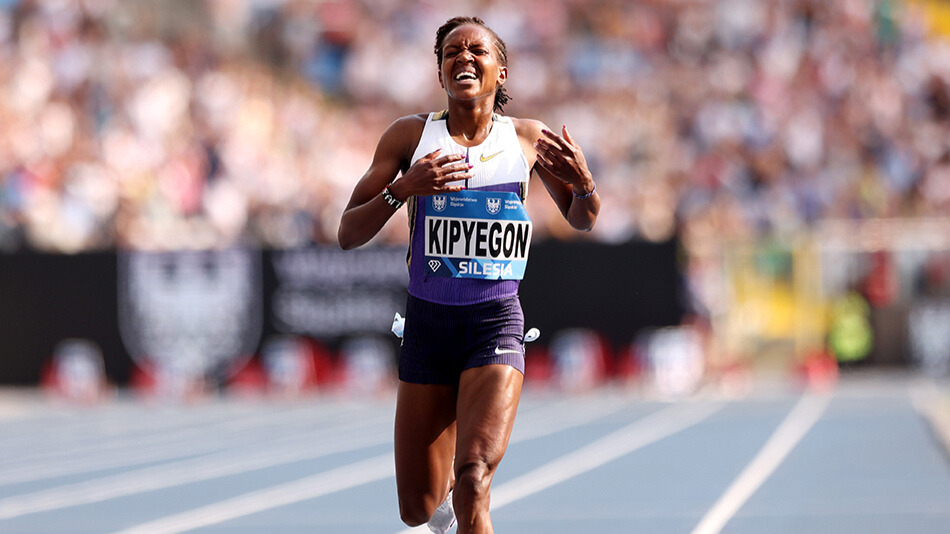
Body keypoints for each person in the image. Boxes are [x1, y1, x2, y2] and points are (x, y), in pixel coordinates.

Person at [338, 16, 600, 534]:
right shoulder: (410, 135)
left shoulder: (527, 138)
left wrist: (586, 184)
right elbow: (348, 232)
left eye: (477, 50)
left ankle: (465, 498)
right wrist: (404, 189)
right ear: (440, 72)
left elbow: (582, 218)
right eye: (451, 52)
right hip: (428, 326)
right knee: (416, 509)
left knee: (475, 479)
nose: (463, 57)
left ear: (502, 71)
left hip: (494, 323)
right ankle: (444, 507)